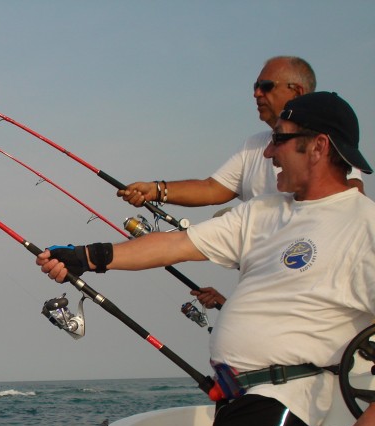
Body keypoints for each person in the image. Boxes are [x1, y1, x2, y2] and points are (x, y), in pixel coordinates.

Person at [36, 91, 374, 426]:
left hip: (282, 401)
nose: (268, 153)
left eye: (281, 141)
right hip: (240, 400)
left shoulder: (363, 225)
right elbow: (176, 245)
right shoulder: (266, 211)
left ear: (319, 146)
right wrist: (86, 255)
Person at [119, 56, 365, 309]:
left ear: (297, 91)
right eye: (255, 87)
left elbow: (350, 204)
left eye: (266, 86)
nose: (256, 94)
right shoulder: (253, 146)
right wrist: (157, 190)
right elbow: (212, 189)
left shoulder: (331, 150)